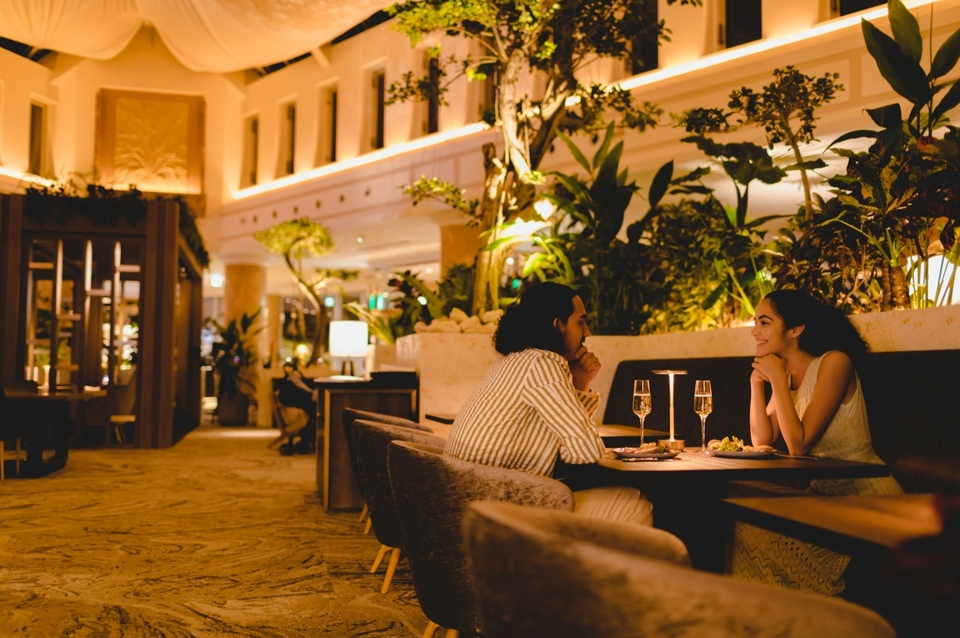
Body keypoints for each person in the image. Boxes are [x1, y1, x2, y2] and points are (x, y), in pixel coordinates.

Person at [731, 289, 903, 595]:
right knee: (747, 526)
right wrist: (756, 383)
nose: (755, 331)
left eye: (765, 322)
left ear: (795, 329)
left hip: (866, 497)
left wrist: (778, 381)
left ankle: (810, 614)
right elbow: (762, 439)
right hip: (823, 496)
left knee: (762, 535)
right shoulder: (784, 372)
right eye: (755, 322)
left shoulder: (835, 363)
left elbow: (799, 445)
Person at [444, 282, 653, 526]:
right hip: (496, 510)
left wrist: (581, 382)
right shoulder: (542, 363)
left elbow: (562, 434)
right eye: (581, 322)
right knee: (635, 503)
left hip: (465, 503)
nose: (587, 332)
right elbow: (586, 451)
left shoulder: (512, 360)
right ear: (558, 325)